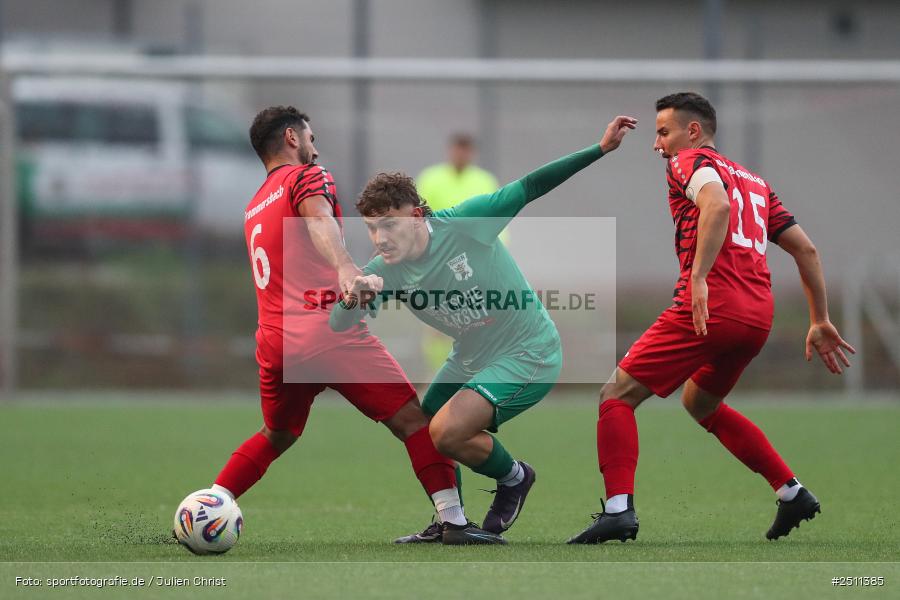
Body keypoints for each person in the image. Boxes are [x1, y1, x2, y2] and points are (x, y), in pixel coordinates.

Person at [331, 116, 638, 543]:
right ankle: (450, 520)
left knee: (446, 431)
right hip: (472, 354)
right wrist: (354, 298)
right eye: (371, 228)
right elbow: (338, 325)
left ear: (418, 216)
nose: (380, 237)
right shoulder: (385, 271)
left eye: (390, 224)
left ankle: (515, 477)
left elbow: (530, 186)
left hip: (530, 350)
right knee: (426, 422)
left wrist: (599, 149)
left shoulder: (466, 222)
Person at [568, 92, 855, 545]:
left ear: (693, 131)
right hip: (757, 316)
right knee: (699, 403)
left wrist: (699, 276)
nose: (657, 144)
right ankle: (790, 491)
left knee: (616, 395)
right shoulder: (757, 183)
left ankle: (618, 510)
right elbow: (806, 249)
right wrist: (819, 318)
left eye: (663, 132)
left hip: (710, 307)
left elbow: (716, 204)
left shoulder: (688, 162)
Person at [203, 105, 476, 544]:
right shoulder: (308, 176)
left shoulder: (254, 205)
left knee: (278, 432)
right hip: (325, 330)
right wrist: (347, 268)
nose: (315, 145)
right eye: (309, 137)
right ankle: (455, 522)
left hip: (274, 342)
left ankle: (208, 505)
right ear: (292, 137)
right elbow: (318, 220)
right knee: (414, 420)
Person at [416, 134, 501, 373]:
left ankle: (470, 373)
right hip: (438, 263)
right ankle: (439, 375)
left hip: (474, 264)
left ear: (472, 153)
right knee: (437, 324)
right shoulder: (430, 178)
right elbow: (420, 219)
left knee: (475, 321)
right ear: (449, 150)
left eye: (466, 150)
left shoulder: (485, 180)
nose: (461, 154)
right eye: (457, 149)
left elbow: (495, 221)